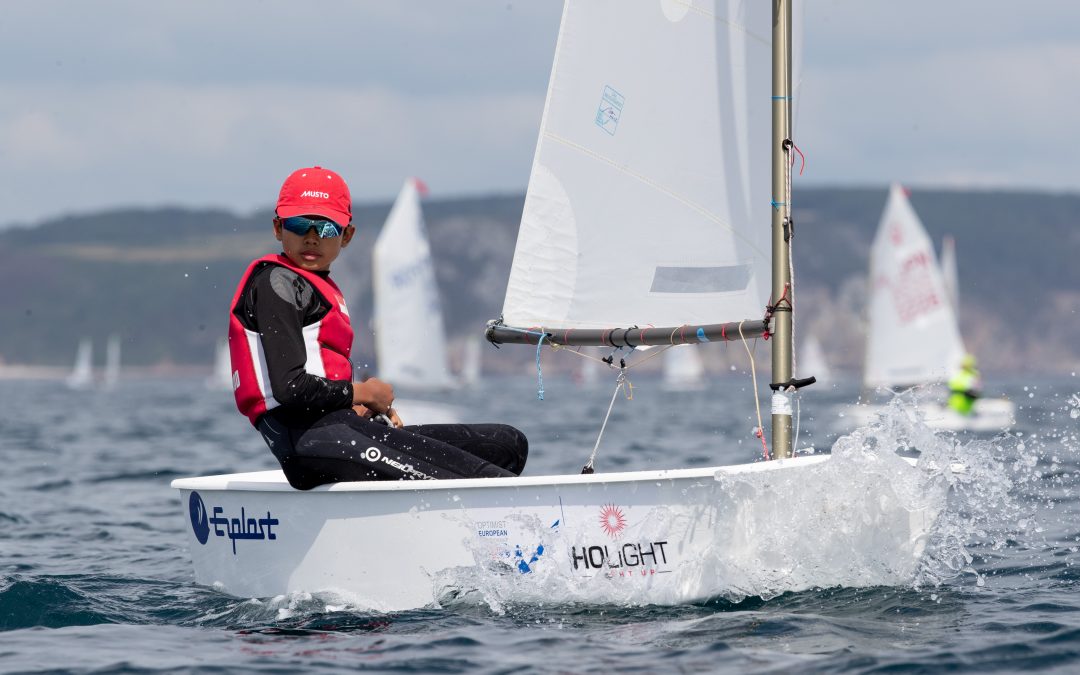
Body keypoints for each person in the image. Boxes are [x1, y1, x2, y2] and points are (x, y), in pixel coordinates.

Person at [227, 166, 528, 489]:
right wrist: (366, 393)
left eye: (326, 228)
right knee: (490, 482)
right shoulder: (278, 283)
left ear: (347, 236)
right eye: (299, 225)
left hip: (336, 429)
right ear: (278, 228)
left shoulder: (312, 285)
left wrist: (355, 405)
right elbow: (290, 389)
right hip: (309, 441)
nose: (311, 236)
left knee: (507, 444)